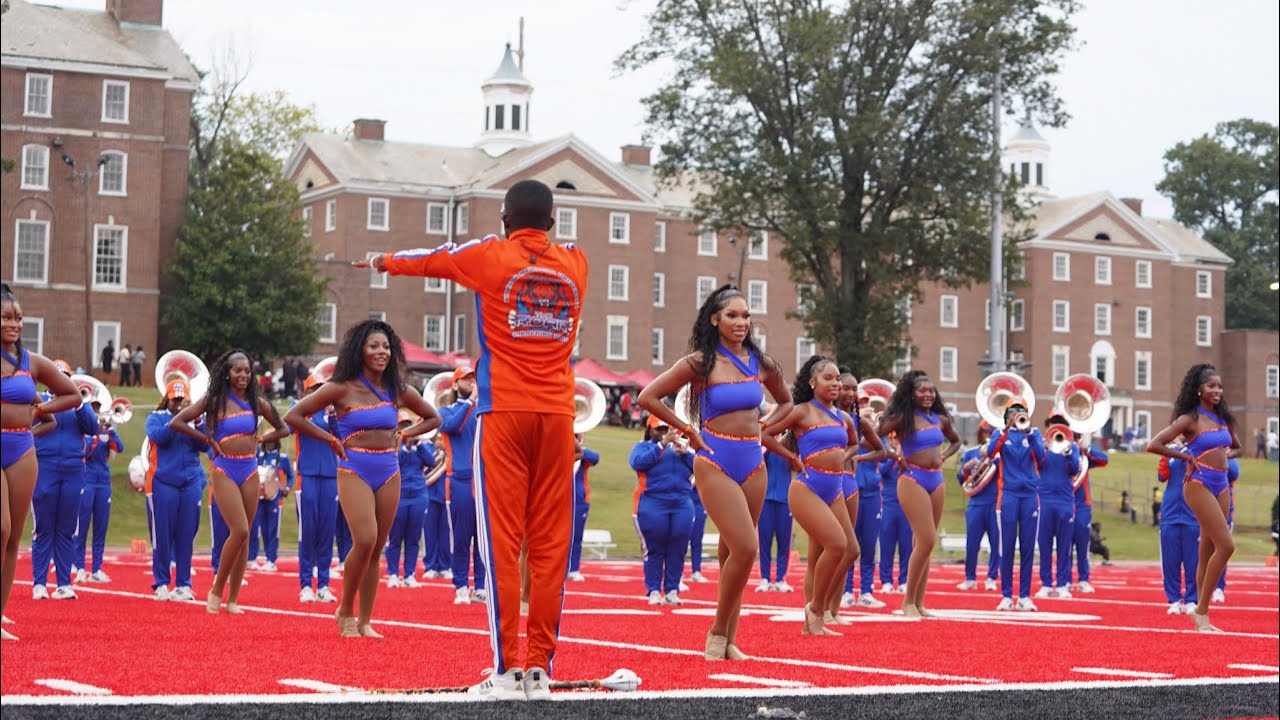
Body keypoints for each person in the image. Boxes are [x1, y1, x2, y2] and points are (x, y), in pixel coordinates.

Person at [358, 179, 587, 699]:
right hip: (558, 414)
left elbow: (432, 259)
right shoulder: (577, 263)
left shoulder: (490, 255)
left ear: (505, 222)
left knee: (500, 541)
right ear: (552, 222)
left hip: (503, 410)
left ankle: (506, 670)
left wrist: (381, 261)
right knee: (550, 544)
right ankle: (539, 669)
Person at [639, 283, 793, 660]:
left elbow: (786, 402)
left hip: (753, 464)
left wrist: (765, 430)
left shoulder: (761, 362)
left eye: (746, 316)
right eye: (732, 315)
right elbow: (648, 397)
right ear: (714, 319)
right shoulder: (700, 362)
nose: (741, 322)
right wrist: (688, 429)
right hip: (714, 460)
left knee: (732, 556)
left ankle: (730, 642)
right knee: (747, 547)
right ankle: (717, 633)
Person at [285, 321, 439, 636]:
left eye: (386, 347)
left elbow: (433, 417)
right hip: (354, 467)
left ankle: (365, 621)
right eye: (374, 346)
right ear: (360, 350)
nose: (382, 352)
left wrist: (405, 433)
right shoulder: (340, 387)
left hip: (389, 470)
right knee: (365, 539)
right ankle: (345, 610)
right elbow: (293, 416)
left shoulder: (397, 389)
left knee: (376, 548)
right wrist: (330, 439)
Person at [763, 356, 884, 634]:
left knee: (850, 549)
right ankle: (816, 609)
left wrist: (846, 456)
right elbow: (766, 435)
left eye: (837, 379)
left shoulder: (844, 417)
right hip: (807, 488)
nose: (835, 383)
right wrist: (793, 458)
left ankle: (817, 617)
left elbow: (854, 443)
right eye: (828, 378)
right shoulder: (801, 411)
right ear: (812, 382)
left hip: (835, 490)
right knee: (837, 545)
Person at [171, 349, 290, 614]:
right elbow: (177, 422)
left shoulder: (257, 402)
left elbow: (284, 428)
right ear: (227, 373)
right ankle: (216, 590)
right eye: (238, 370)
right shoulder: (215, 401)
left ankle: (233, 599)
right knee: (241, 530)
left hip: (250, 469)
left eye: (247, 371)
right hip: (224, 469)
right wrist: (207, 439)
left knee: (245, 536)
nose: (243, 375)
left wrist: (262, 438)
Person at [1, 283, 80, 640]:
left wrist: (38, 410)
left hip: (22, 449)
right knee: (1, 528)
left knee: (13, 538)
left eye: (18, 318)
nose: (14, 324)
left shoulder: (32, 361)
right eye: (6, 317)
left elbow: (73, 394)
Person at [1146, 363, 1241, 632]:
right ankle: (1201, 610)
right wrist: (1186, 456)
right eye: (1211, 386)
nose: (1217, 390)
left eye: (1220, 386)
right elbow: (1154, 444)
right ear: (1199, 389)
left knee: (1207, 551)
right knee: (1227, 546)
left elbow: (1237, 447)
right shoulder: (1189, 419)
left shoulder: (1223, 418)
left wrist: (1226, 456)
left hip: (1221, 484)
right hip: (1198, 484)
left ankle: (1201, 614)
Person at [876, 370, 959, 617]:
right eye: (922, 390)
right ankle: (908, 602)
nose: (928, 394)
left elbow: (956, 441)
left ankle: (919, 603)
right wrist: (894, 456)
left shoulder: (940, 419)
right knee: (927, 539)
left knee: (924, 543)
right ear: (911, 394)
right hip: (912, 479)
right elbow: (873, 437)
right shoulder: (903, 418)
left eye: (931, 390)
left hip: (936, 479)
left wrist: (943, 456)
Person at [30, 359, 99, 601]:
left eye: (65, 377)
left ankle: (63, 584)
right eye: (57, 376)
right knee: (43, 527)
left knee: (67, 528)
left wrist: (79, 404)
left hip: (73, 469)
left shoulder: (78, 402)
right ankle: (39, 583)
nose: (60, 380)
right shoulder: (39, 399)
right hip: (44, 467)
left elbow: (92, 428)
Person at [827, 369, 886, 617]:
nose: (851, 394)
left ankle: (864, 592)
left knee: (862, 545)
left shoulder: (860, 422)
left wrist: (858, 456)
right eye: (846, 388)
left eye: (855, 390)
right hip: (830, 484)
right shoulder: (824, 415)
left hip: (861, 488)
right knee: (838, 545)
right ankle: (841, 594)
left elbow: (882, 451)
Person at [146, 379, 208, 601]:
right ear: (167, 399)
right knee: (162, 536)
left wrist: (197, 421)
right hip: (164, 483)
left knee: (186, 535)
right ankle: (161, 583)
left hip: (190, 482)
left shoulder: (196, 420)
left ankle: (183, 584)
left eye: (183, 400)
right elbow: (158, 437)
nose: (179, 404)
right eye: (175, 400)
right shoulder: (156, 417)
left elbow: (205, 445)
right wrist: (179, 420)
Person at [630, 414, 695, 605]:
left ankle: (672, 590)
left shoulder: (681, 448)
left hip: (681, 503)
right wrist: (661, 446)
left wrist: (686, 453)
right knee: (654, 548)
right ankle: (653, 590)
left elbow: (700, 468)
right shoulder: (643, 447)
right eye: (659, 429)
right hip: (653, 502)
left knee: (678, 548)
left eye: (666, 429)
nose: (663, 432)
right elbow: (637, 463)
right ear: (649, 430)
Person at [986, 400, 1046, 611]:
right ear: (1007, 415)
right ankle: (1006, 596)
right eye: (1013, 411)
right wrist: (1005, 430)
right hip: (1008, 496)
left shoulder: (1034, 434)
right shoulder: (999, 434)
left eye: (1022, 411)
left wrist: (1029, 432)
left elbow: (1042, 457)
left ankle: (1024, 596)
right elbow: (990, 453)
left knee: (1028, 548)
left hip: (1030, 496)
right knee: (1007, 547)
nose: (1018, 414)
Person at [435, 366, 486, 604]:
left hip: (483, 480)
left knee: (483, 538)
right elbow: (453, 426)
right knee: (462, 538)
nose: (471, 383)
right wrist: (471, 400)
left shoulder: (482, 411)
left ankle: (481, 586)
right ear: (455, 385)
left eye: (473, 379)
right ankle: (461, 586)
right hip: (459, 480)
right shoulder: (445, 411)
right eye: (466, 380)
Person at [293, 371, 341, 603]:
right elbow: (288, 425)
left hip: (330, 477)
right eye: (315, 389)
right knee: (308, 533)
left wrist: (333, 417)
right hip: (307, 477)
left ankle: (323, 584)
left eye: (322, 389)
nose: (319, 393)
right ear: (307, 392)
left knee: (326, 532)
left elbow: (342, 438)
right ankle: (305, 585)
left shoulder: (333, 413)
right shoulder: (299, 410)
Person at [385, 411, 435, 587]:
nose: (406, 429)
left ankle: (409, 575)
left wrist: (418, 443)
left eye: (408, 426)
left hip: (419, 496)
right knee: (395, 537)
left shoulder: (422, 446)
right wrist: (406, 447)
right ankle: (393, 574)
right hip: (399, 496)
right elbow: (394, 462)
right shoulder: (392, 445)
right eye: (402, 426)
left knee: (413, 538)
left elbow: (431, 461)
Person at [1035, 414, 1081, 599]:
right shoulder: (1042, 446)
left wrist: (1067, 452)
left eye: (1059, 428)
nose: (1055, 432)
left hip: (1065, 501)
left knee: (1064, 546)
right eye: (1052, 428)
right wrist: (1044, 449)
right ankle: (1046, 584)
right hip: (1044, 500)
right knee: (1044, 545)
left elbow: (1074, 469)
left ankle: (1062, 584)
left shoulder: (1073, 447)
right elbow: (1037, 464)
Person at [77, 409, 123, 583]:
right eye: (94, 408)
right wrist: (96, 432)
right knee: (82, 527)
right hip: (87, 481)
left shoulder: (106, 431)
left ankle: (96, 569)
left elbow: (119, 447)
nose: (97, 412)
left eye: (99, 407)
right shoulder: (85, 430)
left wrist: (110, 430)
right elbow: (85, 452)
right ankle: (79, 567)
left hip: (103, 482)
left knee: (100, 527)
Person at [956, 421, 1000, 592]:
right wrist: (965, 470)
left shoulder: (1000, 455)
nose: (987, 435)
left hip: (995, 502)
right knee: (972, 543)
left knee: (996, 543)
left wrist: (995, 459)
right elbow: (962, 480)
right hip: (975, 502)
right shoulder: (970, 453)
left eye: (991, 433)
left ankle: (991, 578)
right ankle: (970, 578)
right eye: (985, 432)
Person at [1158, 440, 1200, 614]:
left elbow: (1196, 465)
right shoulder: (1171, 451)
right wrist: (1166, 453)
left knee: (1193, 562)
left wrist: (1182, 448)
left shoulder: (1199, 448)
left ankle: (1192, 600)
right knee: (1170, 562)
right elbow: (1162, 476)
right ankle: (1174, 600)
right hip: (1170, 514)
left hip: (1193, 515)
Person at [248, 438, 295, 572]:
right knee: (258, 529)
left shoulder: (282, 458)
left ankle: (271, 560)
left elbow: (291, 476)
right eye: (267, 442)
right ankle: (252, 558)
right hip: (260, 498)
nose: (269, 444)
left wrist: (287, 488)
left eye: (271, 442)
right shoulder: (260, 457)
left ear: (276, 443)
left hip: (275, 499)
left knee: (272, 530)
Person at [1070, 435, 1108, 593]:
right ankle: (1065, 580)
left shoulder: (1084, 458)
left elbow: (1104, 460)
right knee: (1065, 545)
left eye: (1077, 437)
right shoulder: (1060, 454)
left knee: (1083, 545)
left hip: (1082, 506)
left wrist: (1087, 450)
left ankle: (1083, 580)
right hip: (1065, 503)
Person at [757, 446, 794, 593]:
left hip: (784, 499)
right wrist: (767, 444)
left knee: (784, 542)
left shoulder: (789, 445)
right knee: (764, 541)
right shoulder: (764, 445)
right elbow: (757, 460)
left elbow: (797, 465)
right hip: (766, 499)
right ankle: (765, 578)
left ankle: (780, 579)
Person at [877, 445, 910, 595]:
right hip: (888, 505)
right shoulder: (886, 455)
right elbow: (881, 471)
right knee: (886, 546)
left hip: (906, 506)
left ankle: (904, 581)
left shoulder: (910, 454)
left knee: (906, 545)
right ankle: (886, 582)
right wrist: (895, 456)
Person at [568, 433, 600, 581]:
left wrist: (578, 447)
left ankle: (573, 569)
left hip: (579, 501)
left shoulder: (584, 454)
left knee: (576, 536)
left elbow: (595, 458)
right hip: (559, 499)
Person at [421, 433, 451, 581]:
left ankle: (445, 566)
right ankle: (430, 566)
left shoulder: (450, 449)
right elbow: (424, 470)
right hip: (429, 495)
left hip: (446, 495)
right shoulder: (424, 447)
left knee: (446, 534)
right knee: (429, 533)